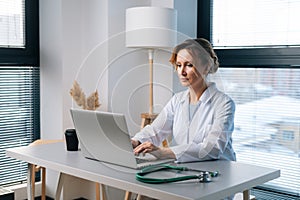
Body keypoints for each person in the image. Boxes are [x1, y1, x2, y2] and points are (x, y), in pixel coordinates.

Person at [131, 38, 236, 163]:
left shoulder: (224, 104)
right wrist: (136, 141)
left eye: (189, 65)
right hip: (189, 169)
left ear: (206, 67)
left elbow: (213, 148)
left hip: (219, 171)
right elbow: (155, 130)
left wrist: (163, 152)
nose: (182, 72)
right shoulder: (177, 100)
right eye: (179, 65)